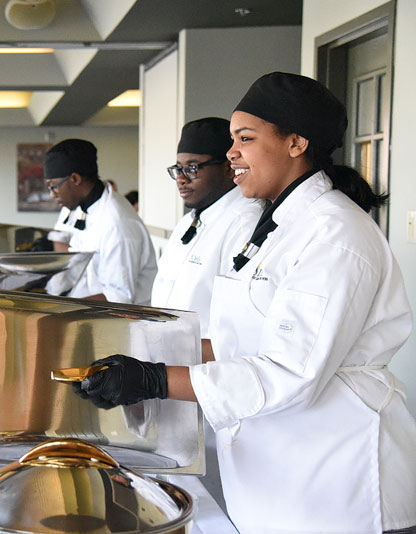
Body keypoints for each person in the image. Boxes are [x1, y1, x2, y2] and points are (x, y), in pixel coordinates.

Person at [75, 72, 416, 533]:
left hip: (338, 481)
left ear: (296, 142)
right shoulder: (277, 223)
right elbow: (240, 342)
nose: (232, 151)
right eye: (233, 139)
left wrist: (155, 379)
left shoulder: (335, 233)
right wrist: (132, 363)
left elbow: (290, 371)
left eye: (246, 138)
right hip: (277, 475)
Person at [151, 117, 262, 339]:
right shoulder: (188, 221)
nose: (181, 179)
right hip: (166, 355)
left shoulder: (245, 222)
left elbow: (237, 325)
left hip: (203, 364)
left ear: (229, 169)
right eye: (178, 169)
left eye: (192, 168)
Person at [44, 139, 157, 305]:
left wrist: (58, 308)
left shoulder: (117, 224)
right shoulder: (83, 207)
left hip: (126, 323)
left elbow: (118, 298)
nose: (52, 194)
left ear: (75, 179)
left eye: (54, 186)